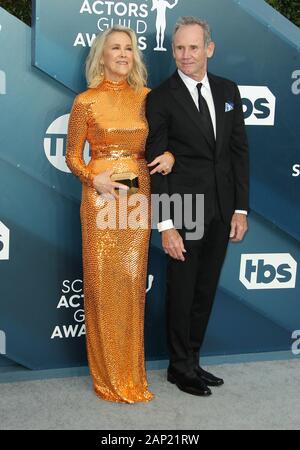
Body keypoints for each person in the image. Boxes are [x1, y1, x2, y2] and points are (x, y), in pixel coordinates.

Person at [66, 26, 175, 404]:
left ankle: (131, 373)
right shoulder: (86, 101)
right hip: (101, 196)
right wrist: (91, 178)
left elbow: (164, 141)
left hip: (135, 192)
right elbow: (70, 156)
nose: (124, 54)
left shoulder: (148, 98)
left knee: (130, 283)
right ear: (102, 55)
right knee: (101, 284)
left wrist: (172, 154)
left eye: (129, 48)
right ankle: (108, 376)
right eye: (116, 48)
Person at [146, 17, 249, 397]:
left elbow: (238, 152)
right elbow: (156, 163)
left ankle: (193, 359)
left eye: (193, 47)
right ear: (172, 50)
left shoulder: (228, 90)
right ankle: (179, 367)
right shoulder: (159, 97)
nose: (185, 56)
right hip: (183, 209)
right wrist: (167, 224)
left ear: (209, 48)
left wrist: (241, 209)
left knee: (204, 291)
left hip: (223, 209)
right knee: (183, 291)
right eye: (179, 48)